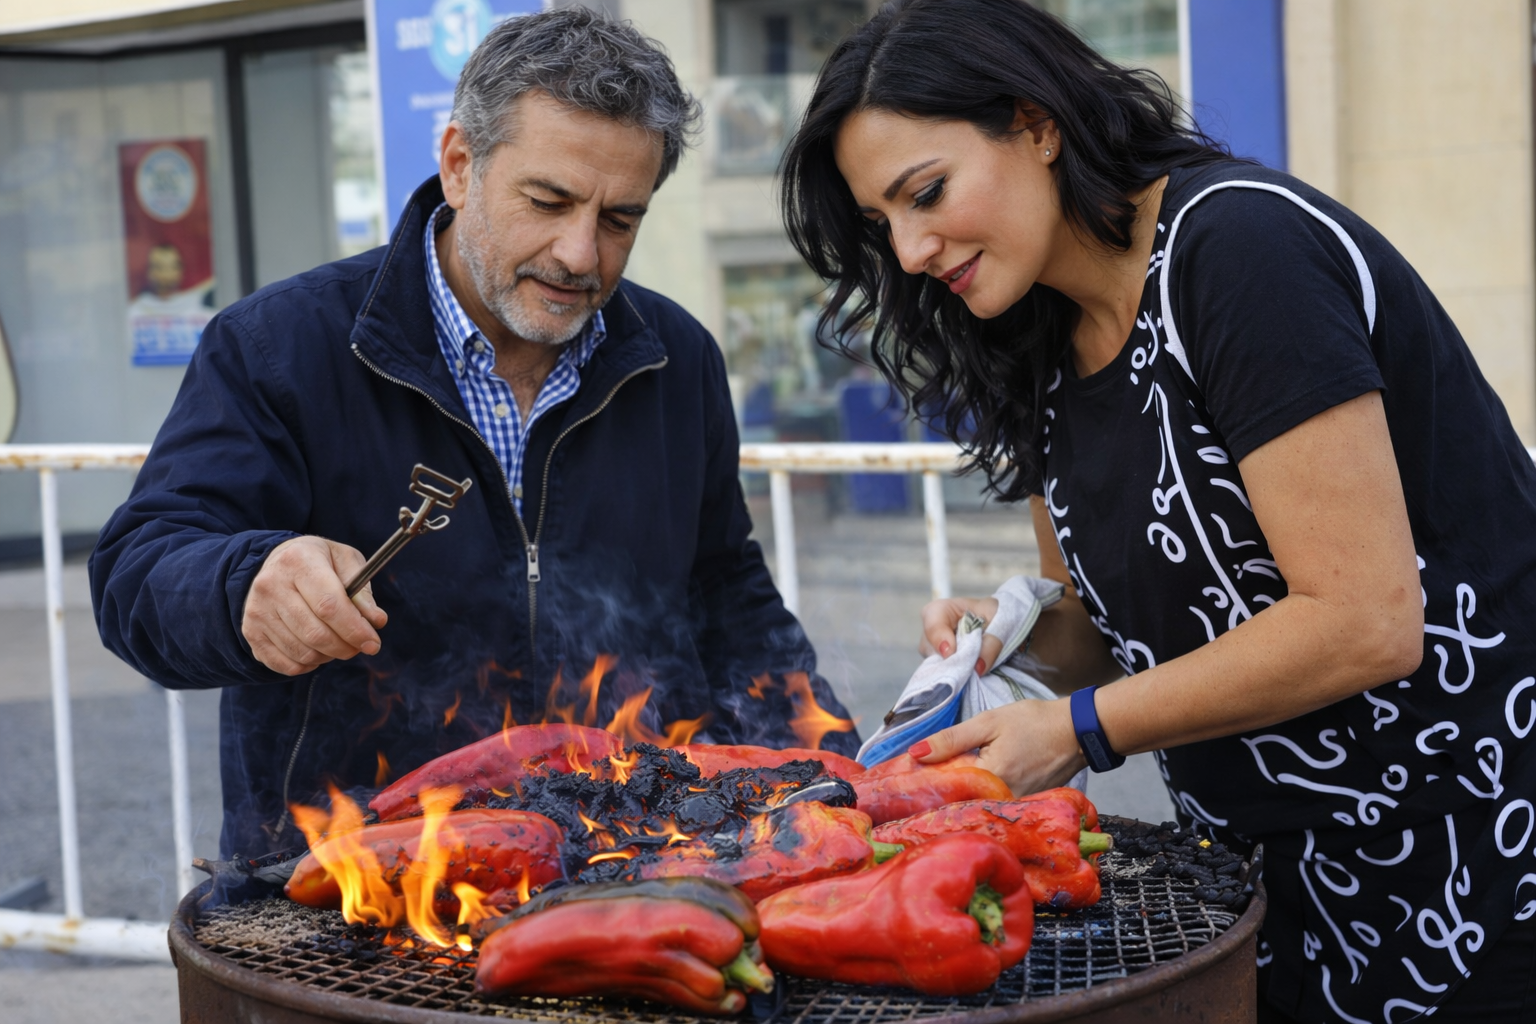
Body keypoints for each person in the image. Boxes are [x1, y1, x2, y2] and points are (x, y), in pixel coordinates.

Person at [779, 1, 1536, 1021]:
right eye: (884, 225)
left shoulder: (1239, 249)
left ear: (1037, 123)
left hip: (1475, 855)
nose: (911, 250)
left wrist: (1079, 729)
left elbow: (1365, 618)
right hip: (1271, 889)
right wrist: (1005, 644)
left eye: (927, 193)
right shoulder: (1034, 340)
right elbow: (1102, 627)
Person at [92, 8, 856, 860]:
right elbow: (136, 571)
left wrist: (832, 769)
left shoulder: (677, 358)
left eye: (619, 219)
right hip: (361, 882)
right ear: (460, 164)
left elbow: (724, 591)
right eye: (549, 200)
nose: (580, 255)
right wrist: (244, 585)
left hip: (629, 864)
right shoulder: (278, 347)